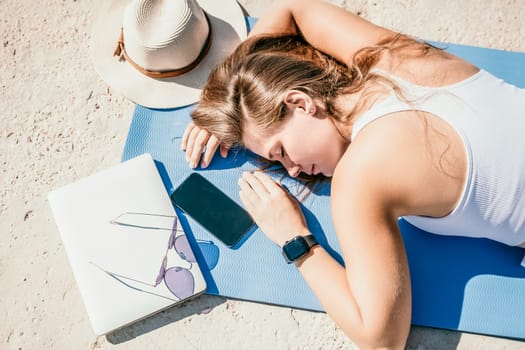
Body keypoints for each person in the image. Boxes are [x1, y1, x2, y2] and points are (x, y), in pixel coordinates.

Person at [181, 0, 525, 348]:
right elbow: (294, 8)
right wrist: (234, 96)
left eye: (281, 152)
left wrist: (294, 238)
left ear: (300, 102)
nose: (293, 169)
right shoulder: (390, 57)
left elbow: (382, 339)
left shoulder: (360, 178)